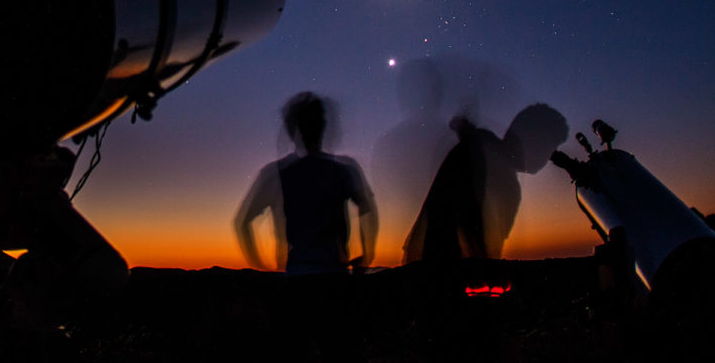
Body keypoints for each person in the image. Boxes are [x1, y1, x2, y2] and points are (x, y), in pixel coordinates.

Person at [402, 103, 568, 264]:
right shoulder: (483, 158)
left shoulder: (489, 156)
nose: (547, 158)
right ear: (534, 140)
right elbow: (467, 225)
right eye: (548, 148)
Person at [235, 92, 378, 274]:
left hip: (299, 270)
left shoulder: (277, 173)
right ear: (323, 127)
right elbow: (366, 208)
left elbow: (244, 222)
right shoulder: (343, 169)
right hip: (333, 270)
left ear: (292, 130)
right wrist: (366, 255)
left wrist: (263, 269)